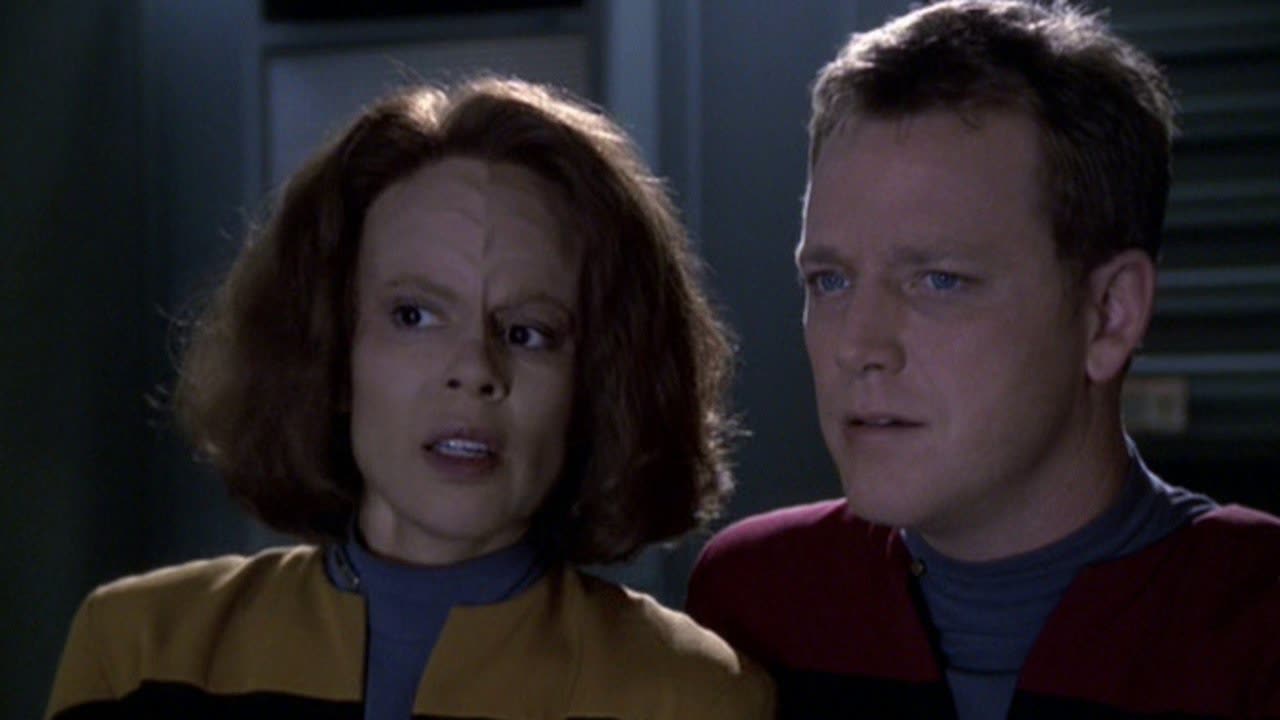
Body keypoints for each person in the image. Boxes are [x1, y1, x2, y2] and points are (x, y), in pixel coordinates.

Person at [46, 77, 774, 720]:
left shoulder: (689, 698)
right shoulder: (139, 652)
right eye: (415, 316)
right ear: (332, 355)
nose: (474, 369)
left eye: (529, 332)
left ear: (594, 388)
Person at [686, 1, 1280, 718]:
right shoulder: (760, 603)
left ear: (1109, 314)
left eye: (939, 280)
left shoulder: (1256, 621)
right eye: (830, 281)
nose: (858, 347)